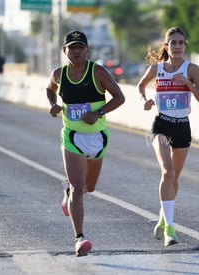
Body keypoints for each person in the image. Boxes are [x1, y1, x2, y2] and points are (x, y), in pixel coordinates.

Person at [46, 30, 125, 256]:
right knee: (79, 188)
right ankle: (79, 238)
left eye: (80, 47)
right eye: (72, 47)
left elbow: (119, 97)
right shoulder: (59, 74)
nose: (76, 51)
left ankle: (68, 191)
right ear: (64, 51)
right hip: (72, 136)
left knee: (89, 187)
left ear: (87, 50)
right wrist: (53, 105)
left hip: (98, 138)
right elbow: (50, 90)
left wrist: (98, 112)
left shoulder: (98, 72)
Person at [136, 27, 199, 246]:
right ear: (166, 46)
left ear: (185, 46)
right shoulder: (156, 68)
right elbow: (140, 86)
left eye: (180, 42)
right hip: (161, 124)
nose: (177, 46)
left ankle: (162, 218)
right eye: (172, 42)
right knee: (166, 172)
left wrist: (187, 83)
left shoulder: (192, 69)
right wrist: (144, 101)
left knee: (174, 179)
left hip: (182, 126)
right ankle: (170, 229)